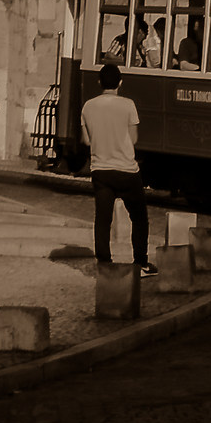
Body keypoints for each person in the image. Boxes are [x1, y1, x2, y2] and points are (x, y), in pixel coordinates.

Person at [80, 61, 157, 277]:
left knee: (103, 219)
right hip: (126, 170)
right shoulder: (128, 105)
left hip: (100, 170)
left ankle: (104, 263)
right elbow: (133, 138)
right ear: (120, 83)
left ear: (99, 82)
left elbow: (86, 141)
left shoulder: (88, 106)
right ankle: (140, 263)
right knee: (139, 218)